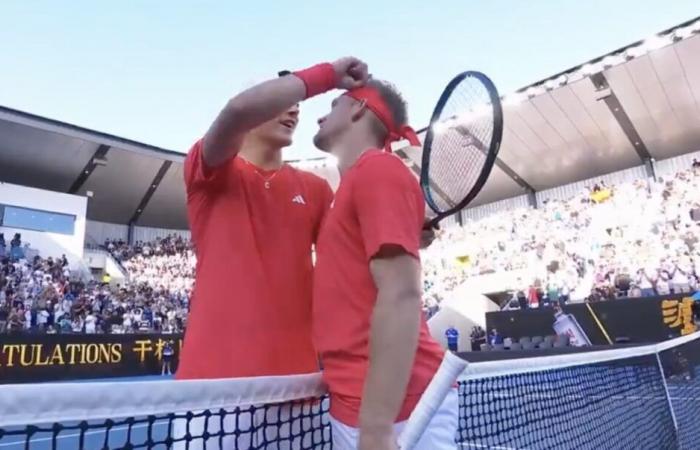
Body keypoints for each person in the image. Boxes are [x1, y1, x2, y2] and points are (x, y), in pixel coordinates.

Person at [177, 57, 369, 381]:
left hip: (297, 387)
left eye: (297, 106)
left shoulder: (316, 189)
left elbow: (348, 260)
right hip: (210, 386)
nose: (295, 111)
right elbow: (236, 110)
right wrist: (326, 76)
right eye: (283, 102)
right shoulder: (210, 172)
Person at [312, 79, 455, 450]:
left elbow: (401, 294)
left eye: (332, 106)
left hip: (394, 412)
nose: (318, 117)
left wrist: (376, 425)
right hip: (361, 403)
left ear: (358, 108)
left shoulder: (377, 170)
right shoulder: (358, 183)